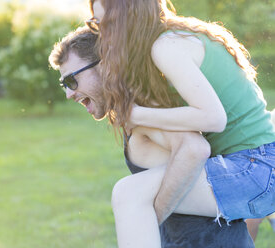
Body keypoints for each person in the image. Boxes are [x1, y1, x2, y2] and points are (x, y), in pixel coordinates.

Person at [86, 0, 275, 247]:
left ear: (128, 20)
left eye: (106, 25)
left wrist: (137, 115)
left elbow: (213, 118)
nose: (102, 36)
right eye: (96, 24)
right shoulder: (173, 36)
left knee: (130, 194)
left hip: (257, 168)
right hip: (254, 164)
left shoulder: (165, 47)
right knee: (137, 197)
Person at [49, 26, 255, 248]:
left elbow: (194, 147)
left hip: (210, 242)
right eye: (64, 85)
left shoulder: (145, 111)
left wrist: (149, 215)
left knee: (126, 193)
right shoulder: (136, 113)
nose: (69, 94)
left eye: (71, 80)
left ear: (105, 66)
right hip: (187, 241)